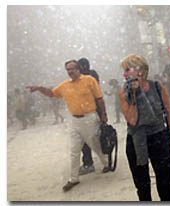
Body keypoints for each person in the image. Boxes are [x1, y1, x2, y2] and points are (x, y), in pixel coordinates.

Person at [26, 60, 110, 192]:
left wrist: (104, 114)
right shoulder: (65, 85)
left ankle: (106, 163)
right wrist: (38, 88)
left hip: (90, 118)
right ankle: (73, 179)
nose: (70, 72)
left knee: (94, 144)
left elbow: (99, 98)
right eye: (68, 70)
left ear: (78, 69)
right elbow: (52, 93)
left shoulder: (89, 80)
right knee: (74, 150)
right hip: (74, 121)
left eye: (72, 69)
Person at [119, 54, 170, 201]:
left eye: (127, 70)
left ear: (140, 70)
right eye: (124, 71)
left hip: (159, 136)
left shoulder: (157, 87)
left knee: (165, 181)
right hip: (136, 140)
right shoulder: (124, 93)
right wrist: (134, 93)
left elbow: (168, 113)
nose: (124, 74)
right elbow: (132, 120)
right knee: (142, 185)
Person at [77, 57, 101, 175]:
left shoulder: (87, 78)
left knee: (86, 138)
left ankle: (88, 163)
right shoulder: (92, 75)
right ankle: (104, 158)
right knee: (95, 136)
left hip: (89, 111)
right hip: (94, 110)